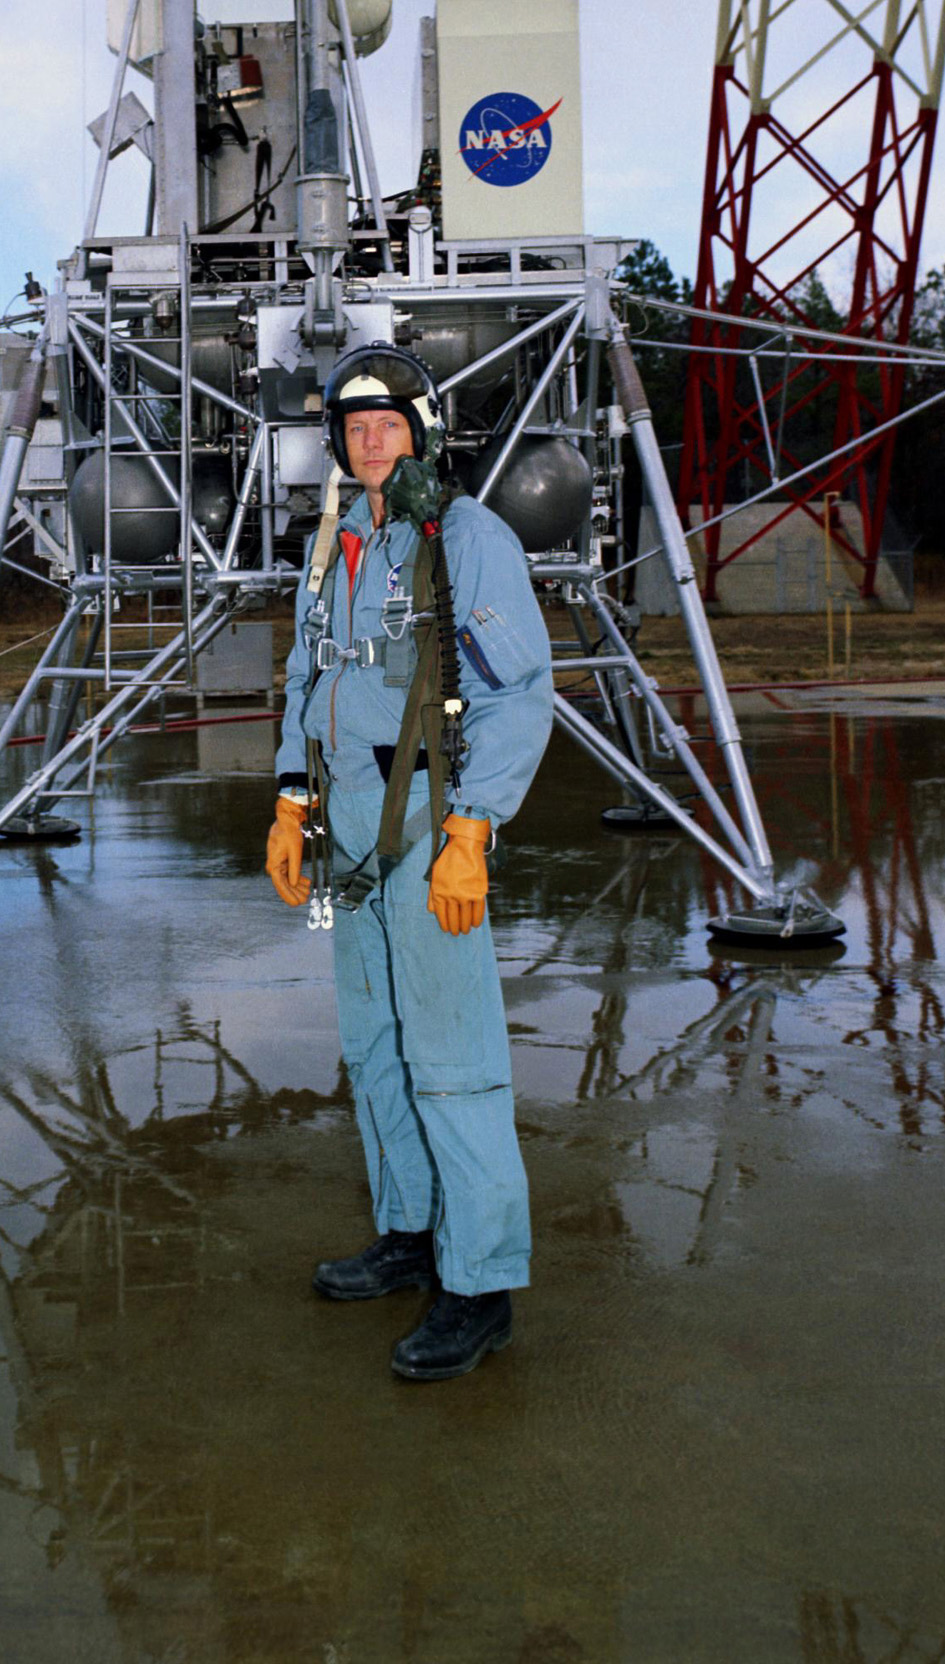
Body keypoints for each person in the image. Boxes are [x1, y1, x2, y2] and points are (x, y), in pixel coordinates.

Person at [265, 344, 553, 1381]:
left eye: (387, 421)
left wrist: (472, 832)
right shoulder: (337, 541)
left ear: (421, 429)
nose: (370, 438)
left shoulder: (463, 537)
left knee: (453, 1058)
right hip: (344, 824)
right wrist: (289, 803)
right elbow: (308, 673)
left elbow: (519, 692)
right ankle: (411, 1233)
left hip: (427, 820)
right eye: (353, 425)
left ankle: (477, 1287)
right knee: (376, 1043)